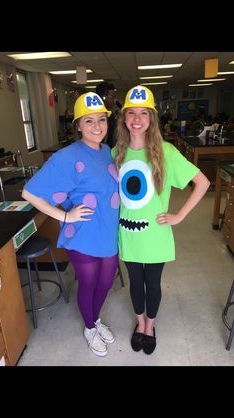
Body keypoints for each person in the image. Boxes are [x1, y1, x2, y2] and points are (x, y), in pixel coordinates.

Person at [112, 85, 210, 355]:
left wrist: (179, 215)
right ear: (123, 118)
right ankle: (139, 321)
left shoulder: (166, 152)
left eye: (144, 113)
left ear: (152, 118)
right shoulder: (116, 153)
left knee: (152, 284)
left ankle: (149, 326)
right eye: (131, 113)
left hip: (156, 233)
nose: (137, 119)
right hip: (128, 233)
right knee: (135, 283)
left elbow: (201, 182)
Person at [22, 92, 120, 357]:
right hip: (83, 236)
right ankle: (90, 328)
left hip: (108, 235)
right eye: (89, 121)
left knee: (106, 283)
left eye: (102, 120)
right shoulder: (66, 156)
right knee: (88, 285)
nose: (97, 126)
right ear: (78, 125)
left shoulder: (108, 152)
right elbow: (29, 193)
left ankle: (95, 319)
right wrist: (65, 216)